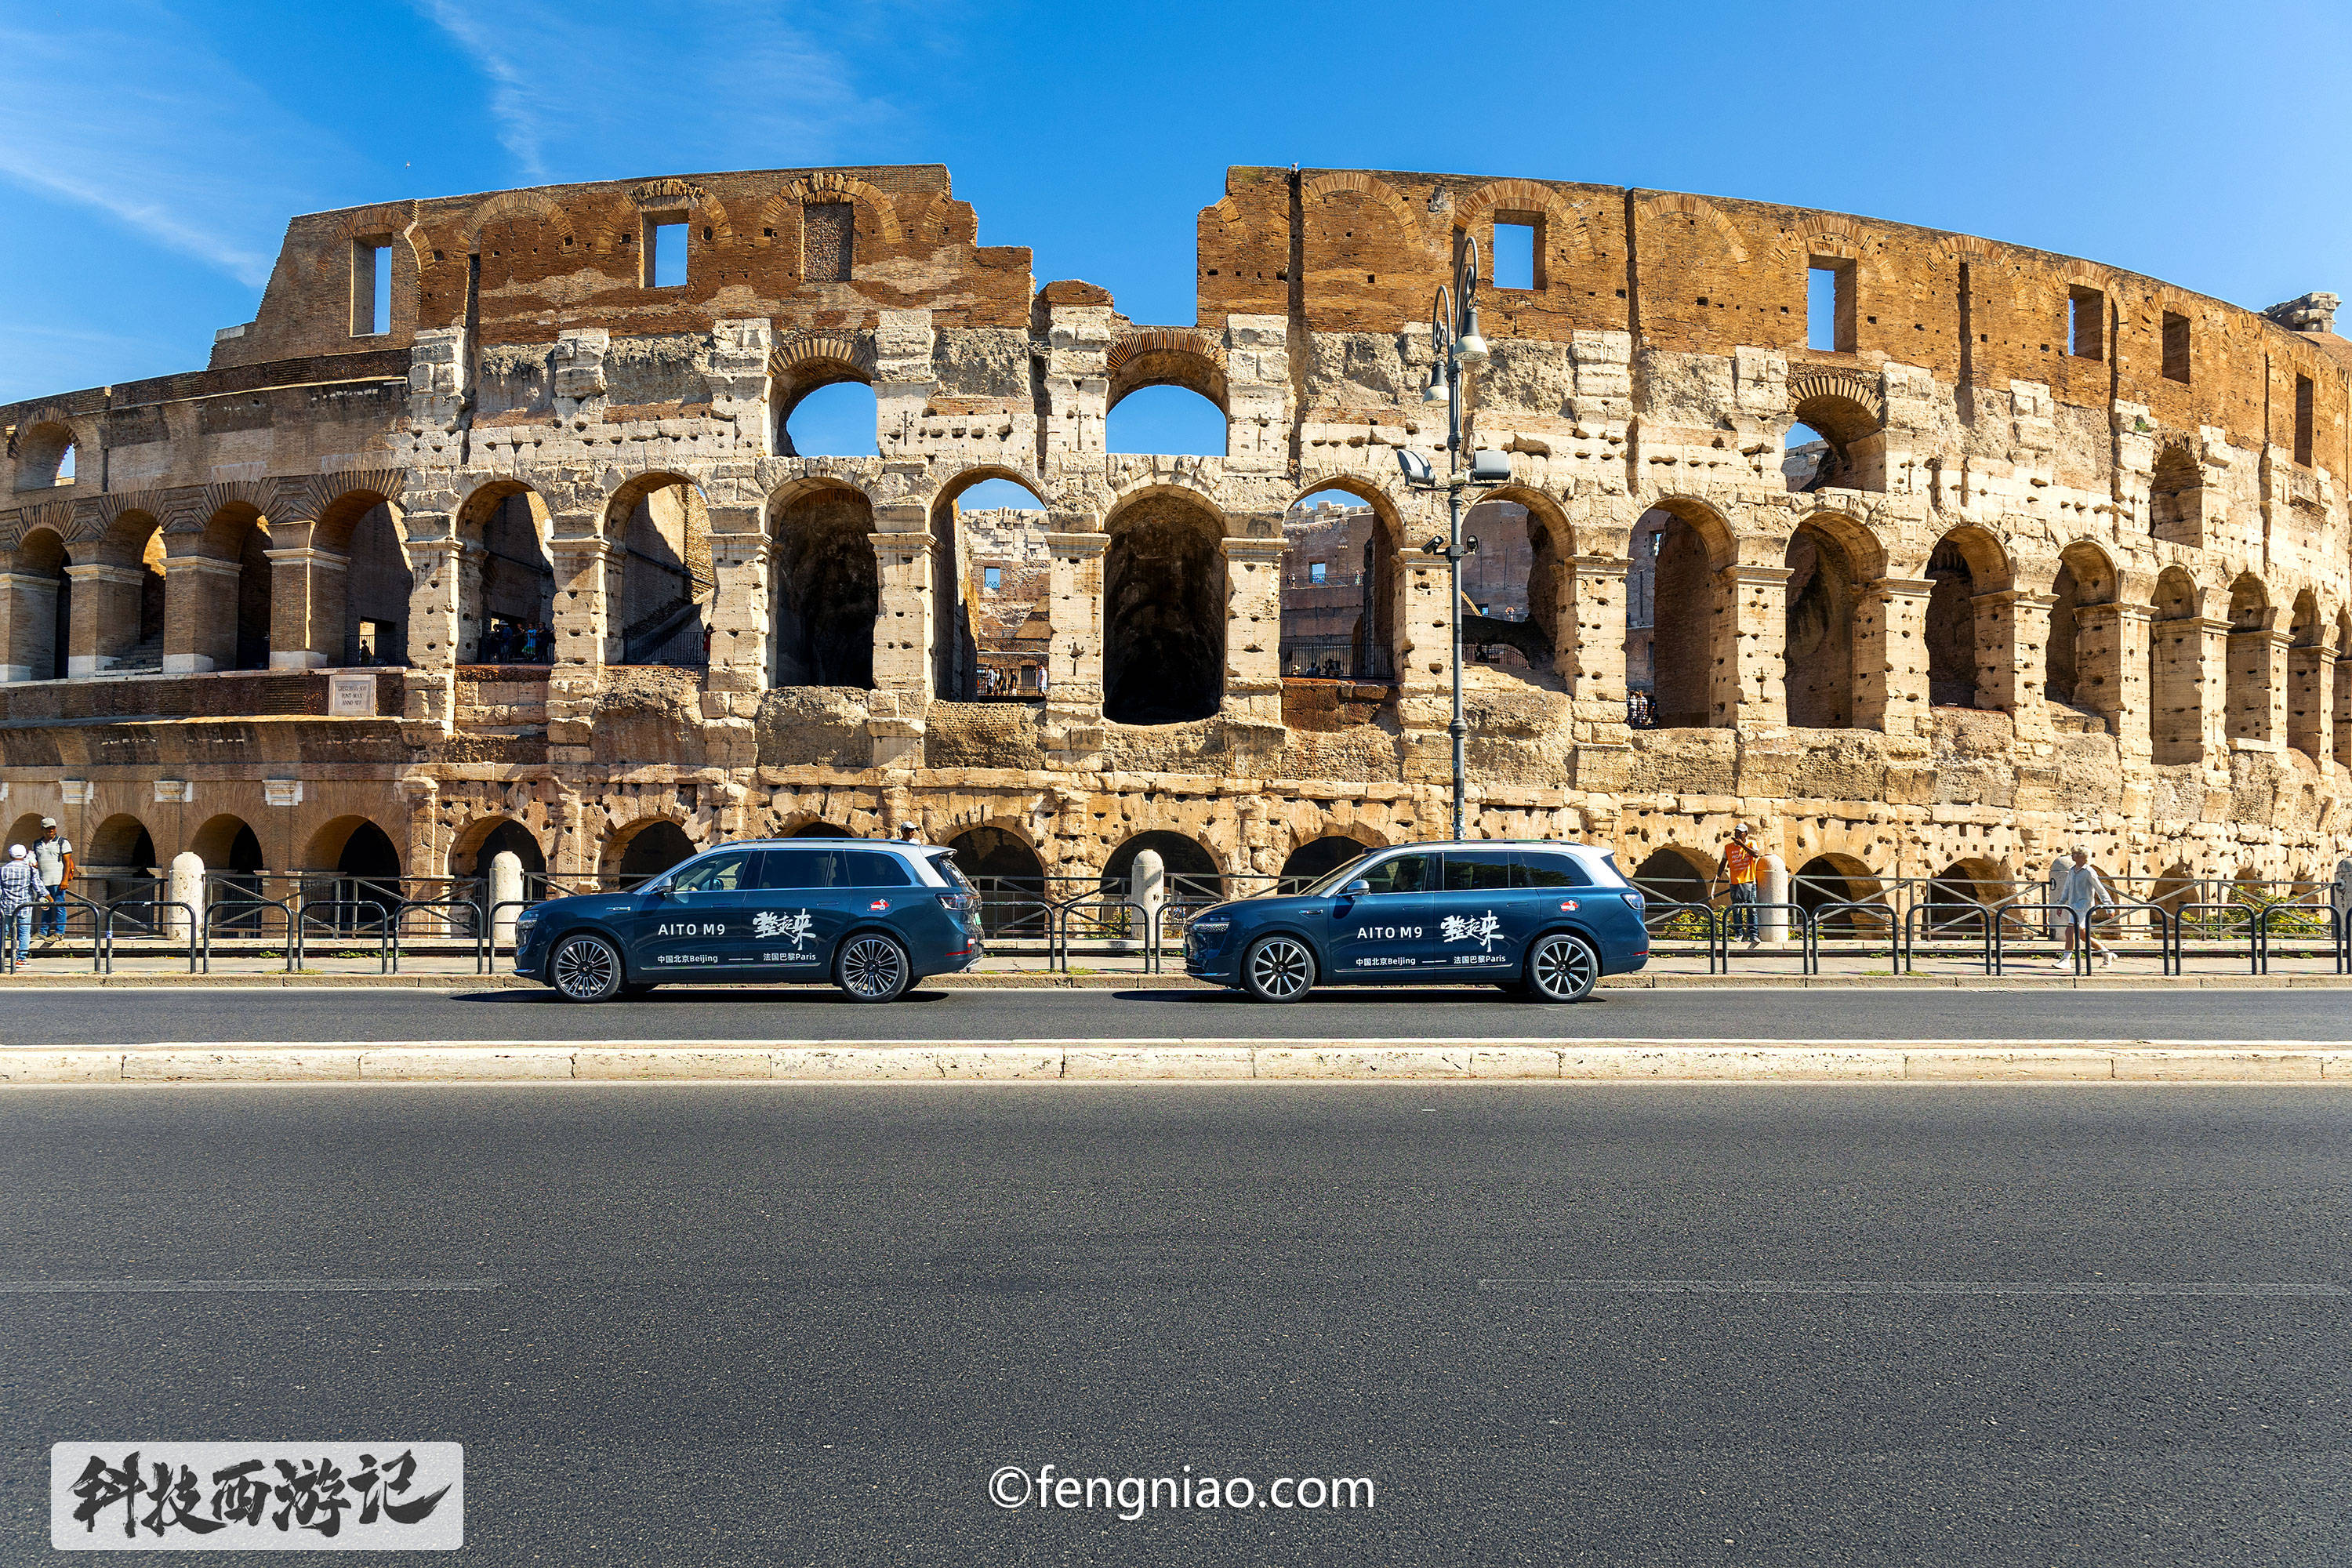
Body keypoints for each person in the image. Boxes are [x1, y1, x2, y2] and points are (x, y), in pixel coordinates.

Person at [2052, 844, 2118, 970]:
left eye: (2075, 854)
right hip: (2072, 906)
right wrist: (2061, 903)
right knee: (2083, 936)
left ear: (2082, 857)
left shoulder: (2089, 872)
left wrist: (2109, 907)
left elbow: (2100, 890)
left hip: (2083, 907)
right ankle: (2107, 953)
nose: (2072, 855)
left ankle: (2066, 959)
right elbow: (2066, 888)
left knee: (2069, 930)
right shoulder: (2072, 871)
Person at [1721, 822, 1762, 948]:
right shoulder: (1728, 847)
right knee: (1736, 910)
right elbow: (1723, 861)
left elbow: (1755, 854)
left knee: (1752, 909)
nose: (1737, 834)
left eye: (1740, 832)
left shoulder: (1750, 844)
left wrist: (1741, 845)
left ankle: (1754, 934)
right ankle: (1738, 934)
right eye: (1736, 832)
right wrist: (1718, 874)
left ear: (1746, 834)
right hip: (1735, 881)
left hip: (1749, 881)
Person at [31, 817, 72, 945]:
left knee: (59, 906)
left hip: (58, 881)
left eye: (53, 828)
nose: (51, 831)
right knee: (45, 907)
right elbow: (34, 860)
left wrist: (64, 880)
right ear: (42, 829)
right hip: (43, 882)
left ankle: (59, 932)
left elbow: (67, 863)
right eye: (48, 828)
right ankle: (43, 932)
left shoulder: (62, 842)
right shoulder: (36, 844)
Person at [0, 844, 41, 967]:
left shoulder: (3, 869)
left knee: (4, 931)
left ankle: (1, 957)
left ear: (10, 855)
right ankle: (20, 959)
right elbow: (38, 887)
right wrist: (48, 897)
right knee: (24, 933)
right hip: (24, 906)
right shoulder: (30, 869)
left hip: (6, 905)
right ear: (24, 856)